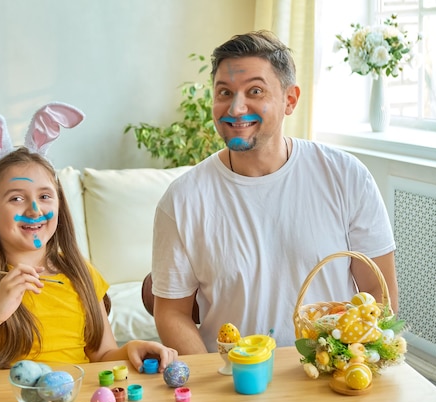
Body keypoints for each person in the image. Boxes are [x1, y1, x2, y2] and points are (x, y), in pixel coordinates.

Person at [150, 31, 399, 354]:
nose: (236, 108)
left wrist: (353, 361)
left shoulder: (346, 176)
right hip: (232, 382)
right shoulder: (181, 200)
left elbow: (378, 293)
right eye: (224, 92)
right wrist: (212, 378)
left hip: (331, 375)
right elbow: (172, 312)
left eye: (255, 91)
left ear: (290, 100)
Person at [0, 95, 177, 373]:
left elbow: (101, 354)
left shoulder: (80, 272)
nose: (35, 209)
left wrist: (129, 349)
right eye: (16, 199)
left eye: (45, 196)